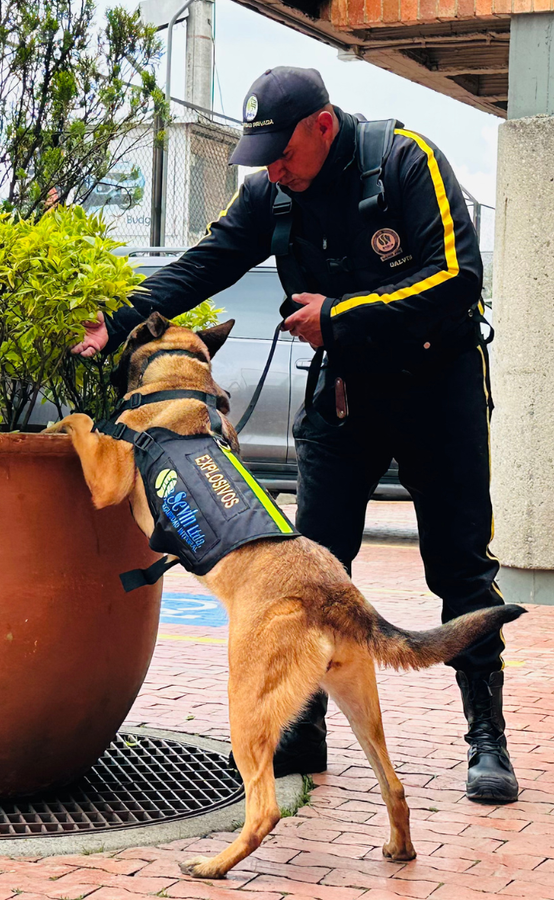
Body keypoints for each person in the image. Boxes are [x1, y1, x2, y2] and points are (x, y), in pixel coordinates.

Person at [71, 67, 518, 804]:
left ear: (324, 126)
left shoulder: (406, 161)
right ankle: (304, 732)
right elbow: (207, 262)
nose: (274, 168)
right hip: (346, 395)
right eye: (264, 155)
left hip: (440, 390)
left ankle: (487, 740)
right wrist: (120, 319)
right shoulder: (270, 194)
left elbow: (457, 278)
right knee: (312, 560)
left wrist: (341, 314)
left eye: (284, 151)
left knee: (460, 565)